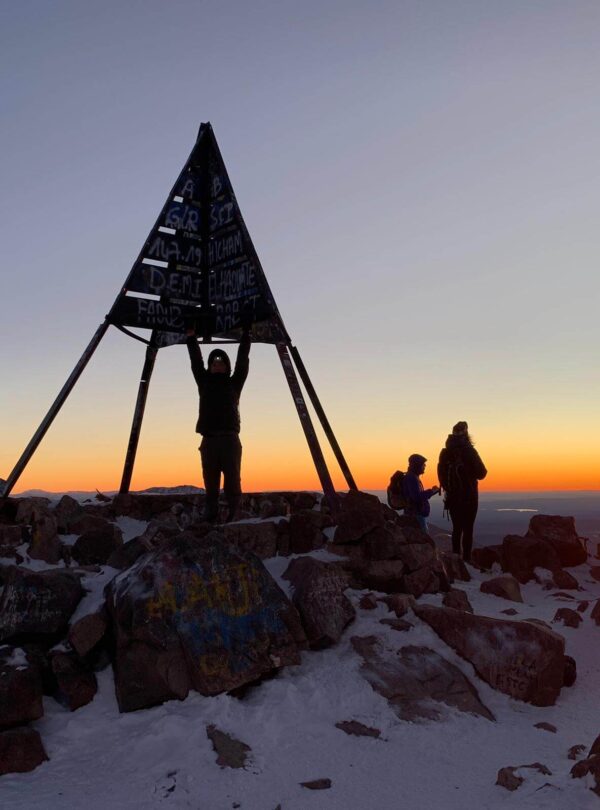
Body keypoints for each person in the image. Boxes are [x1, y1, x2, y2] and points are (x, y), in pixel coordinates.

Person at [186, 320, 251, 523]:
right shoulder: (203, 382)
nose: (217, 366)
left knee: (233, 479)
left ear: (226, 367)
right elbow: (196, 361)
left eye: (221, 363)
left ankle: (234, 512)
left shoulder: (234, 383)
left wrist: (246, 336)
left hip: (230, 439)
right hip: (209, 440)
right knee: (210, 481)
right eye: (214, 363)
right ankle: (211, 512)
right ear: (211, 366)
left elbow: (242, 361)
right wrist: (190, 338)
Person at [437, 421, 487, 563]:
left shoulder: (445, 453)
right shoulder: (469, 451)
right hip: (469, 496)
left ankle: (455, 559)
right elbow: (482, 473)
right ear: (466, 433)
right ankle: (466, 561)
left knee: (456, 529)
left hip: (452, 497)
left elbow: (441, 475)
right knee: (468, 529)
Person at [402, 454, 440, 533]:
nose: (425, 466)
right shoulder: (411, 478)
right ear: (417, 465)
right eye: (423, 464)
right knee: (424, 538)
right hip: (415, 515)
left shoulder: (412, 476)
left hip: (415, 514)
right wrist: (432, 491)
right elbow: (416, 497)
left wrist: (432, 491)